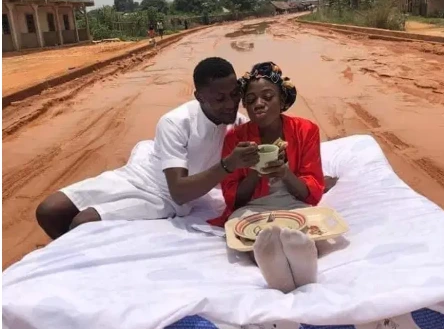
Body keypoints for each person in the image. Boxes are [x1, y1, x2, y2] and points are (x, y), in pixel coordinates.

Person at [36, 58, 259, 239]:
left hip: (162, 199)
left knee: (82, 223)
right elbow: (180, 191)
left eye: (234, 94)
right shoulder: (176, 122)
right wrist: (228, 164)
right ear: (199, 97)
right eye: (219, 99)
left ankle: (74, 261)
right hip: (150, 180)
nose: (230, 104)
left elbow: (178, 199)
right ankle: (68, 254)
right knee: (49, 211)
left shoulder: (238, 125)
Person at [211, 62, 324, 293]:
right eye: (250, 100)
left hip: (295, 205)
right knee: (246, 234)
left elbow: (311, 192)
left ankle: (302, 266)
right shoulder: (236, 138)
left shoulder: (306, 130)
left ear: (282, 101)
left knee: (312, 228)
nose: (258, 104)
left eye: (267, 96)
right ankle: (276, 269)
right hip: (253, 208)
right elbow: (234, 200)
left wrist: (285, 173)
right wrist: (253, 170)